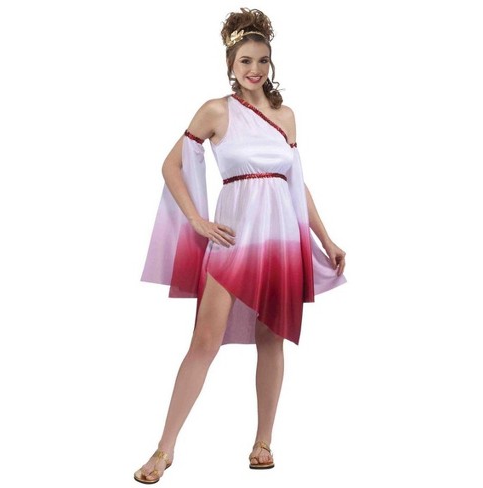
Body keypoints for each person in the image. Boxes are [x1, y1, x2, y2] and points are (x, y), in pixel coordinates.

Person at [134, 7, 347, 484]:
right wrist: (197, 220)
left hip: (280, 239)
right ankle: (164, 449)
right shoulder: (216, 110)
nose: (255, 69)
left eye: (263, 60)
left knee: (271, 339)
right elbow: (171, 165)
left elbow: (296, 182)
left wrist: (326, 238)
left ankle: (263, 441)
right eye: (246, 60)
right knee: (203, 341)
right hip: (234, 238)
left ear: (272, 63)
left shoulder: (286, 116)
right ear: (231, 64)